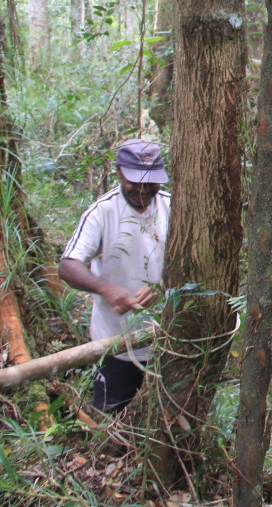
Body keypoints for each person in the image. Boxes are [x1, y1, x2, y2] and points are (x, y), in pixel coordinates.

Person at [59, 139, 171, 413]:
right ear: (119, 172)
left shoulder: (174, 206)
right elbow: (68, 265)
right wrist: (106, 289)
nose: (144, 190)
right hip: (115, 344)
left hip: (168, 340)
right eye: (136, 182)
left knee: (167, 420)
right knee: (112, 419)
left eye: (151, 182)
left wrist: (164, 285)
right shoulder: (103, 212)